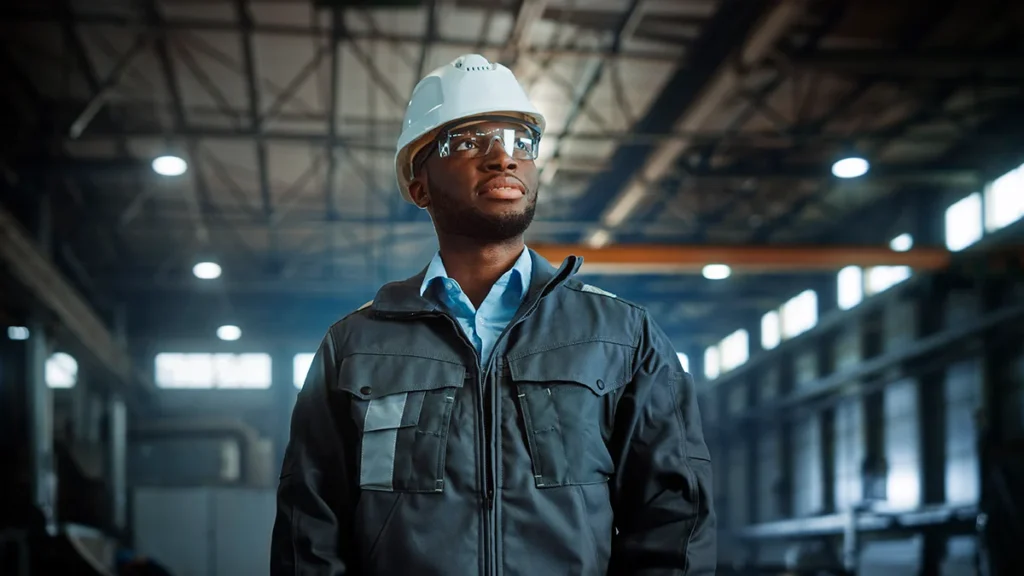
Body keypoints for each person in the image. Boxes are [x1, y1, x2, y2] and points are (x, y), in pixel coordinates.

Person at [271, 54, 716, 575]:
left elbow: (673, 518)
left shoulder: (622, 335)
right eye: (467, 143)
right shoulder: (355, 346)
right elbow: (310, 531)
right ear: (420, 185)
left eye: (518, 143)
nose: (502, 158)